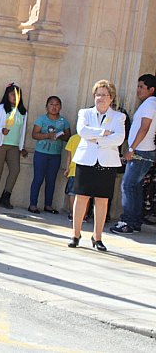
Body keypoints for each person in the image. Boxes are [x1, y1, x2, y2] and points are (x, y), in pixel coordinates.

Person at [68, 80, 125, 252]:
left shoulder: (118, 117)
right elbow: (82, 132)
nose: (100, 98)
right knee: (81, 198)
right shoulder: (85, 113)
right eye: (97, 94)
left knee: (102, 200)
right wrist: (103, 133)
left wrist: (96, 137)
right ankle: (75, 235)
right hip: (87, 160)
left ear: (111, 97)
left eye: (104, 95)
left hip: (106, 162)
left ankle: (97, 237)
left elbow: (119, 138)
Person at [111, 74, 156, 235]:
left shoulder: (150, 104)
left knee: (128, 185)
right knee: (134, 186)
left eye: (141, 87)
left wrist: (132, 149)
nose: (138, 90)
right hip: (142, 150)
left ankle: (127, 222)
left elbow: (144, 128)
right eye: (138, 86)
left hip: (141, 151)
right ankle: (135, 222)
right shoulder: (149, 104)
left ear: (152, 89)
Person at [28, 96, 71, 214]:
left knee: (51, 180)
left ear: (60, 107)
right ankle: (33, 204)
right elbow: (34, 135)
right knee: (38, 178)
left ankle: (48, 205)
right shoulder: (41, 119)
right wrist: (47, 136)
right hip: (41, 153)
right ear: (46, 106)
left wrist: (60, 135)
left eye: (57, 104)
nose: (54, 107)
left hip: (55, 155)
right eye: (51, 104)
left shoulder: (64, 121)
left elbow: (68, 137)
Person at [0, 83, 28, 208]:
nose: (15, 98)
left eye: (17, 95)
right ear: (7, 95)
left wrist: (22, 147)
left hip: (14, 146)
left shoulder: (23, 112)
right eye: (12, 95)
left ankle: (6, 196)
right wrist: (1, 130)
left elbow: (23, 131)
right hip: (0, 144)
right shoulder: (0, 109)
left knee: (15, 170)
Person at [64, 133, 82, 221]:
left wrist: (67, 169)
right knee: (84, 195)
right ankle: (83, 216)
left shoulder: (73, 138)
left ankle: (72, 213)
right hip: (86, 171)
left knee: (72, 193)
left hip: (73, 170)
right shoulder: (91, 139)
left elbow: (68, 156)